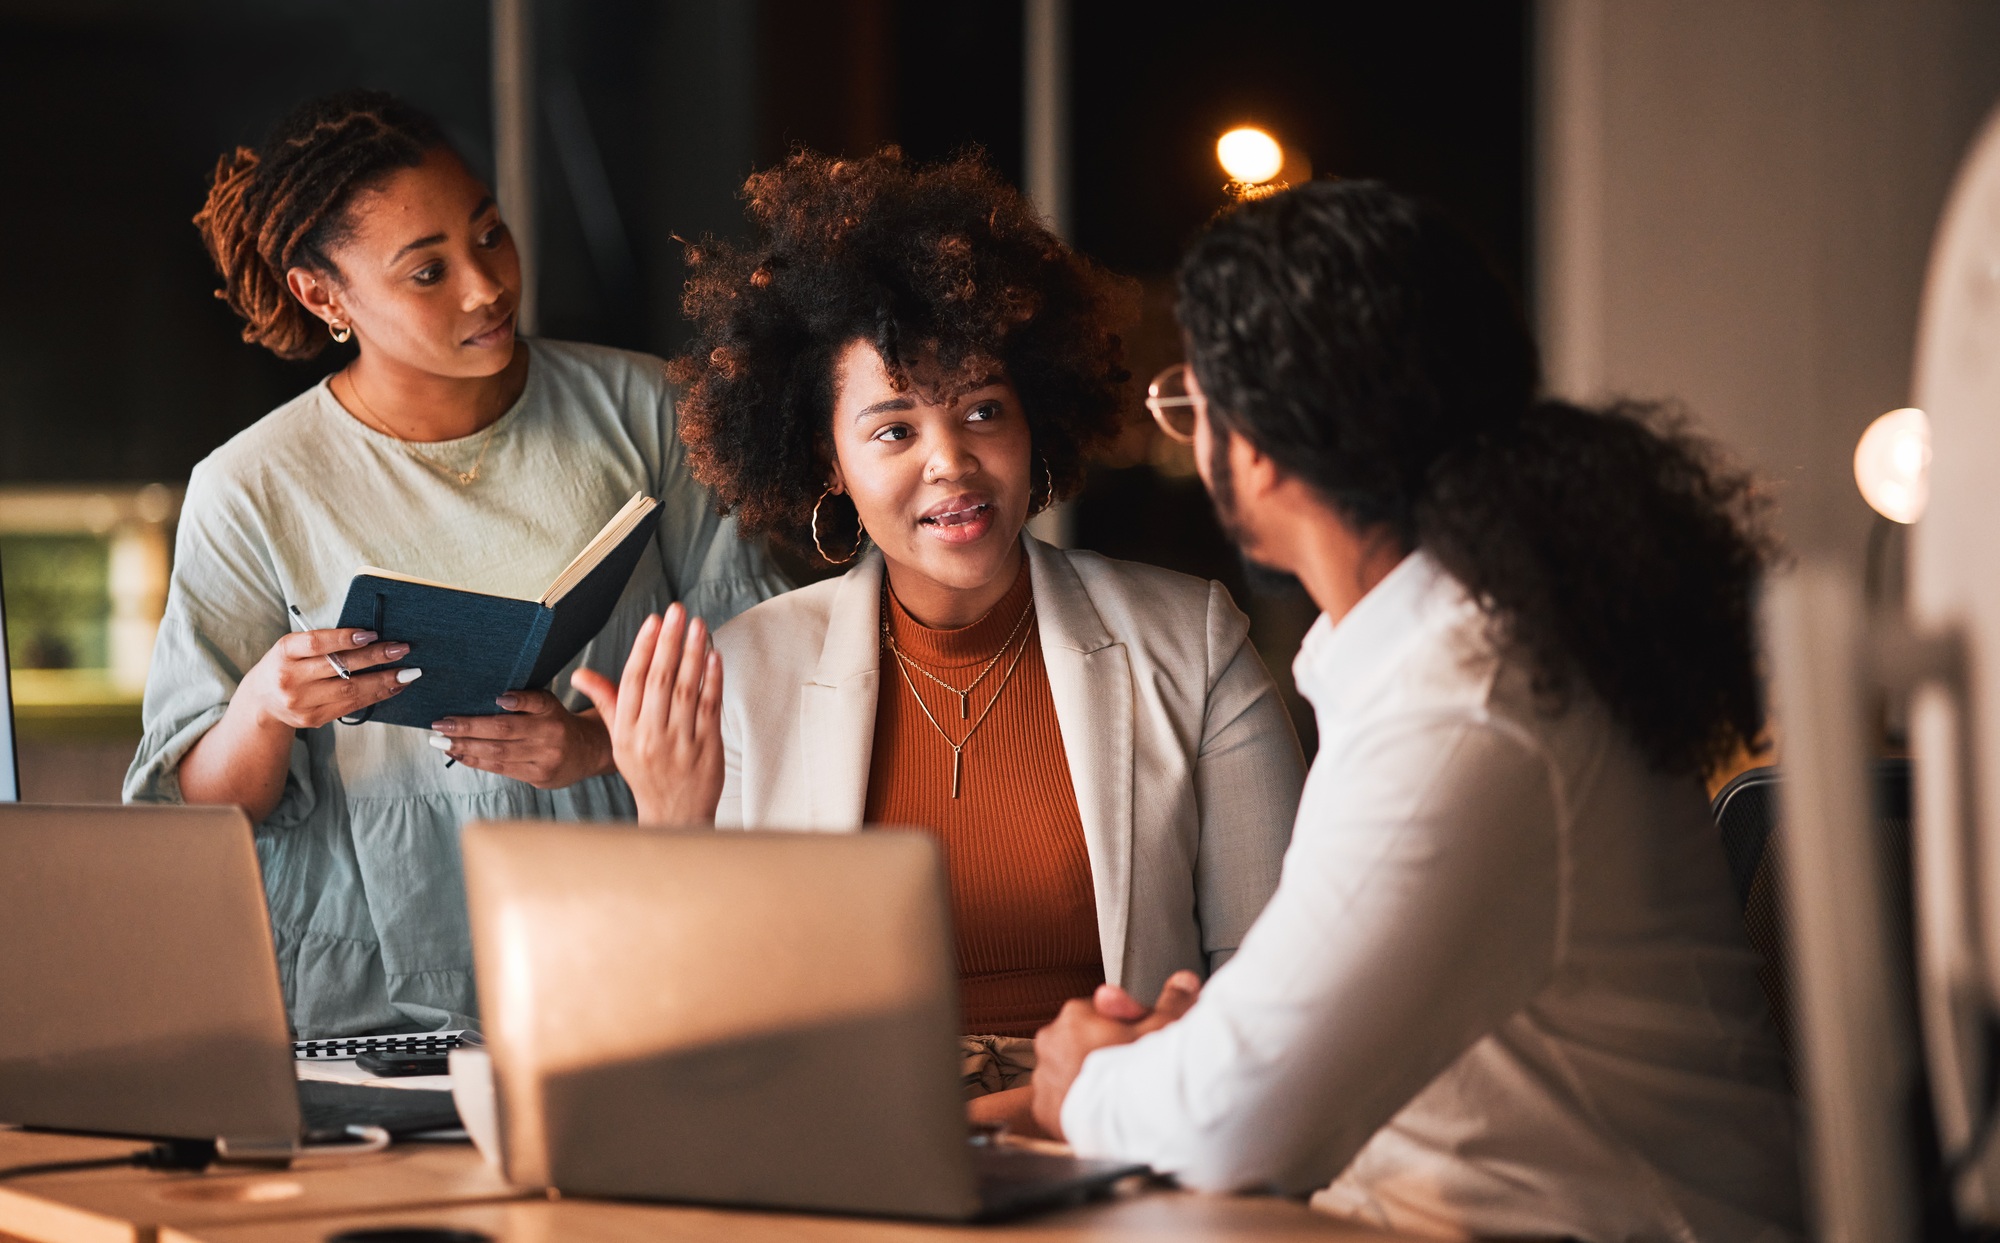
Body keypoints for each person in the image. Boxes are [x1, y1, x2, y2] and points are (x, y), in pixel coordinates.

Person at [1028, 181, 1803, 1241]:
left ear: (1252, 444)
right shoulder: (1464, 646)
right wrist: (1208, 1046)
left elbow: (1230, 1125)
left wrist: (1084, 1080)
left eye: (1190, 401)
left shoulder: (1465, 707)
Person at [572, 148, 1303, 1123]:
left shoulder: (1192, 642)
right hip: (847, 1166)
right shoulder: (749, 670)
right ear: (826, 460)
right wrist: (671, 826)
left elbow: (1271, 992)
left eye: (982, 412)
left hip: (1116, 1148)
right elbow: (697, 1045)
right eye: (893, 430)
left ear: (1034, 422)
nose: (951, 463)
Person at [125, 91, 786, 1037]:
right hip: (360, 986)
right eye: (428, 271)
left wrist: (594, 747)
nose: (486, 286)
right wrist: (264, 705)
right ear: (324, 295)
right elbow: (193, 812)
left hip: (616, 935)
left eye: (491, 235)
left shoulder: (652, 412)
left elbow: (766, 675)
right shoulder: (250, 486)